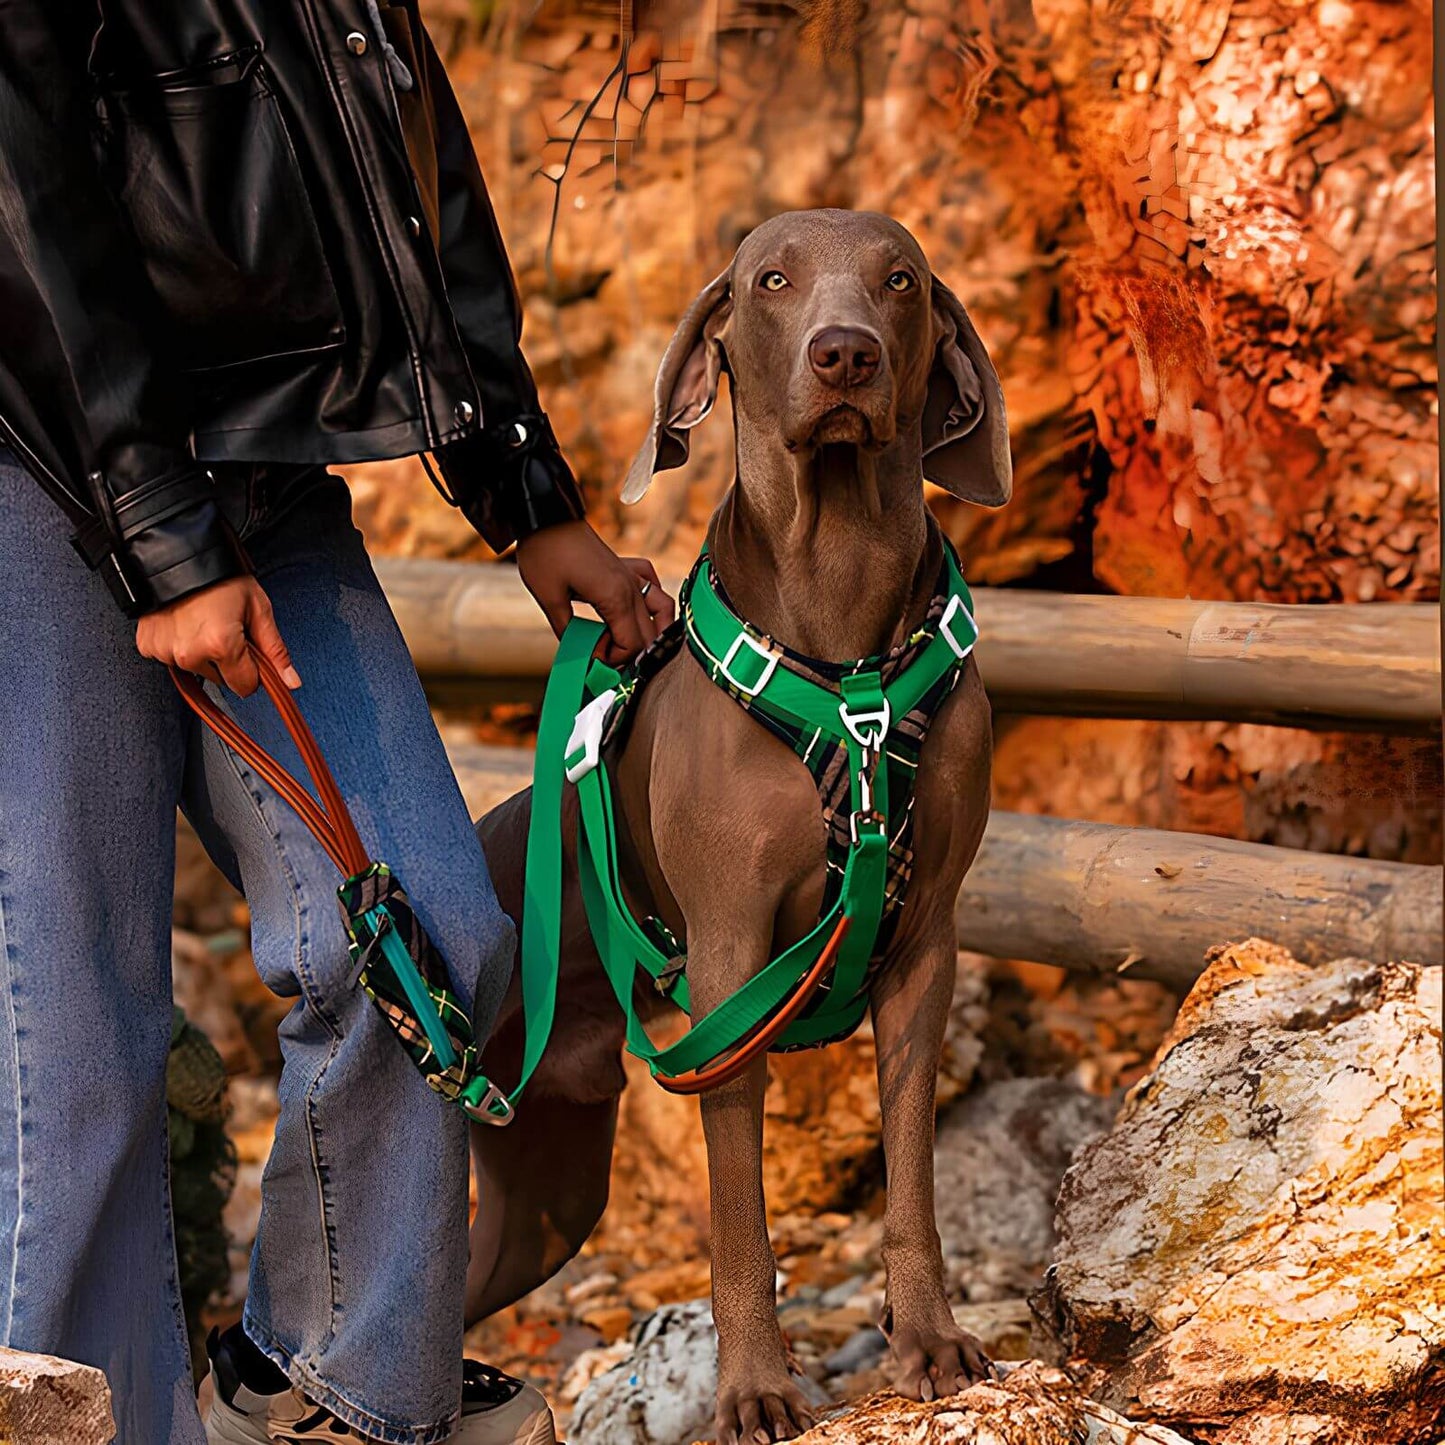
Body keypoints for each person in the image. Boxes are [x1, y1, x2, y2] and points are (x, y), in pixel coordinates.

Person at [0, 5, 671, 1443]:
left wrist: (525, 499)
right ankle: (79, 1421)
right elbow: (21, 194)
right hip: (33, 463)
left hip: (259, 467)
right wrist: (163, 542)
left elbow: (407, 169)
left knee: (421, 930)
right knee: (67, 1019)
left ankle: (321, 1388)